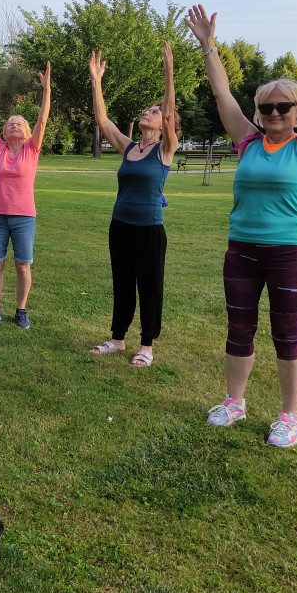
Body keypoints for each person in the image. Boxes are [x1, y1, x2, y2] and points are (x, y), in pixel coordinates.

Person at [186, 0, 297, 447]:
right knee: (239, 328)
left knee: (287, 333)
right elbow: (223, 94)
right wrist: (209, 47)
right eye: (266, 106)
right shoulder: (247, 140)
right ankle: (234, 401)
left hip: (290, 253)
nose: (274, 112)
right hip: (241, 250)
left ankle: (289, 416)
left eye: (283, 106)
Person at [88, 43, 179, 367]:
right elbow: (103, 120)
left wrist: (169, 70)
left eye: (154, 112)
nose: (149, 113)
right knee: (122, 282)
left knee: (150, 286)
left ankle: (147, 346)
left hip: (149, 229)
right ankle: (117, 339)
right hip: (121, 225)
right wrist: (96, 80)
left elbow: (169, 112)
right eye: (148, 110)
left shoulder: (166, 148)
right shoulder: (128, 148)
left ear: (163, 123)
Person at [0, 61, 52, 329]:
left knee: (22, 266)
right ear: (4, 132)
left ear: (28, 133)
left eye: (19, 124)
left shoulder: (32, 150)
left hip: (24, 217)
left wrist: (46, 89)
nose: (14, 126)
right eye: (10, 124)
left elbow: (43, 118)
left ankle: (21, 310)